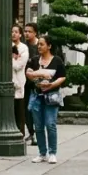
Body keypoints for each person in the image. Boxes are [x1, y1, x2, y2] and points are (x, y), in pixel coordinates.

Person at [27, 35, 67, 163]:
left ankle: (52, 152)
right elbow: (28, 74)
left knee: (50, 124)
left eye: (42, 44)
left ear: (49, 46)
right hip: (36, 96)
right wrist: (41, 74)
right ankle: (42, 152)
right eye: (39, 44)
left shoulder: (57, 61)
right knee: (38, 126)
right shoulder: (34, 60)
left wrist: (52, 84)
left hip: (52, 96)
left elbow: (62, 77)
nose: (39, 47)